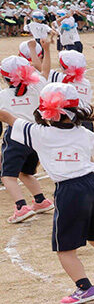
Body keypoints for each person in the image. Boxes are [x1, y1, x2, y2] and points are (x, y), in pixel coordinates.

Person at [0, 82, 94, 304]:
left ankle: (84, 288)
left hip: (69, 190)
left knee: (65, 249)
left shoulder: (37, 133)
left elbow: (7, 117)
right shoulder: (83, 132)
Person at [0, 55, 53, 223]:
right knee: (25, 172)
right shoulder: (38, 88)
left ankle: (20, 207)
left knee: (7, 176)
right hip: (37, 135)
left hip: (16, 137)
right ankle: (40, 201)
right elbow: (43, 73)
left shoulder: (3, 95)